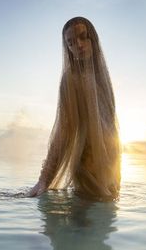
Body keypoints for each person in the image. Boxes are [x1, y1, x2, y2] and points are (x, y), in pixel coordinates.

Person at [27, 16, 121, 200]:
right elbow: (63, 130)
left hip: (110, 169)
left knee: (105, 224)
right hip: (87, 169)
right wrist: (44, 179)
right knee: (83, 226)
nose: (78, 45)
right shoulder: (71, 80)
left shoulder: (102, 76)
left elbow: (110, 126)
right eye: (70, 42)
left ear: (93, 38)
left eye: (82, 37)